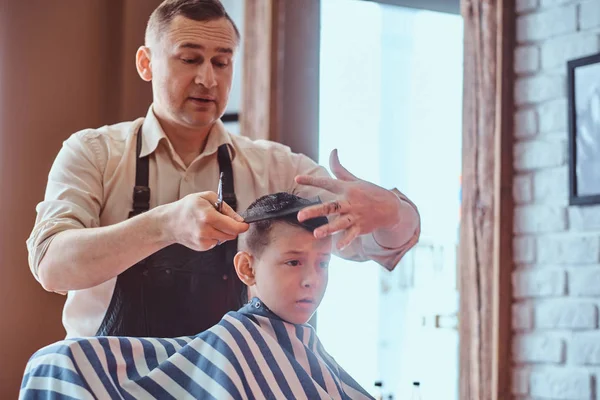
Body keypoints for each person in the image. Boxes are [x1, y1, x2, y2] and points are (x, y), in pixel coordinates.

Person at [26, 0, 420, 339]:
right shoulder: (93, 154)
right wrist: (163, 225)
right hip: (108, 385)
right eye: (189, 59)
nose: (207, 78)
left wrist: (391, 213)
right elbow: (52, 266)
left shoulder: (276, 168)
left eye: (222, 62)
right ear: (147, 63)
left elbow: (367, 240)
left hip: (225, 385)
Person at [20, 193, 374, 399]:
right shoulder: (236, 346)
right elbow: (58, 362)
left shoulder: (306, 349)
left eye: (324, 264)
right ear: (247, 270)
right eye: (293, 262)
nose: (312, 279)